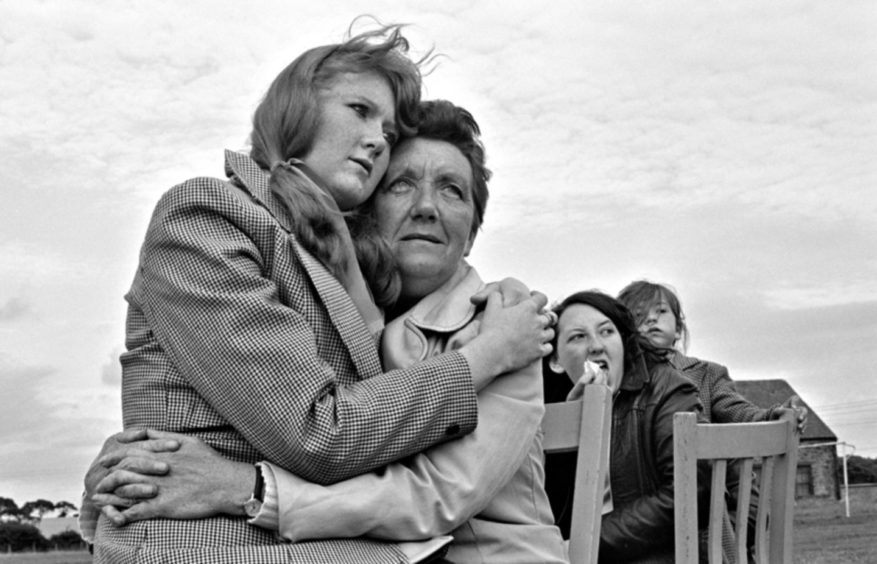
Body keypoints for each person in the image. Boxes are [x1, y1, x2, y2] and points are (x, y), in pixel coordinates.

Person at [86, 25, 554, 563]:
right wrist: (124, 471)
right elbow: (314, 429)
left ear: (475, 228)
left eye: (452, 190)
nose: (379, 138)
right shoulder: (217, 217)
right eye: (360, 109)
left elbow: (423, 488)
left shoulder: (503, 317)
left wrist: (246, 486)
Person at [617, 279, 808, 562]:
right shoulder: (620, 381)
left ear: (679, 328)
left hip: (711, 503)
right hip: (652, 504)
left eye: (660, 311)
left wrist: (771, 415)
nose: (651, 319)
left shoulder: (705, 374)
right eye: (638, 313)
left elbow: (735, 411)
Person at [542, 291, 707, 563]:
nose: (596, 346)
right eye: (578, 336)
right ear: (556, 361)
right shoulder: (546, 405)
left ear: (623, 342)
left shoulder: (667, 390)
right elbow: (547, 507)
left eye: (606, 331)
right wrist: (573, 426)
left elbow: (685, 494)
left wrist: (587, 543)